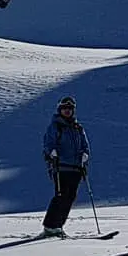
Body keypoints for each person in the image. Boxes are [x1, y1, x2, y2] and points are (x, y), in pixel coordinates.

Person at [41, 96, 89, 237]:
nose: (67, 111)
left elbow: (85, 145)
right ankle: (50, 226)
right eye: (64, 108)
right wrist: (52, 152)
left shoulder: (78, 128)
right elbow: (48, 144)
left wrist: (85, 155)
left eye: (70, 109)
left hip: (76, 168)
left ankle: (58, 226)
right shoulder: (56, 126)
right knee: (61, 196)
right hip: (61, 166)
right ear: (60, 110)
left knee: (71, 197)